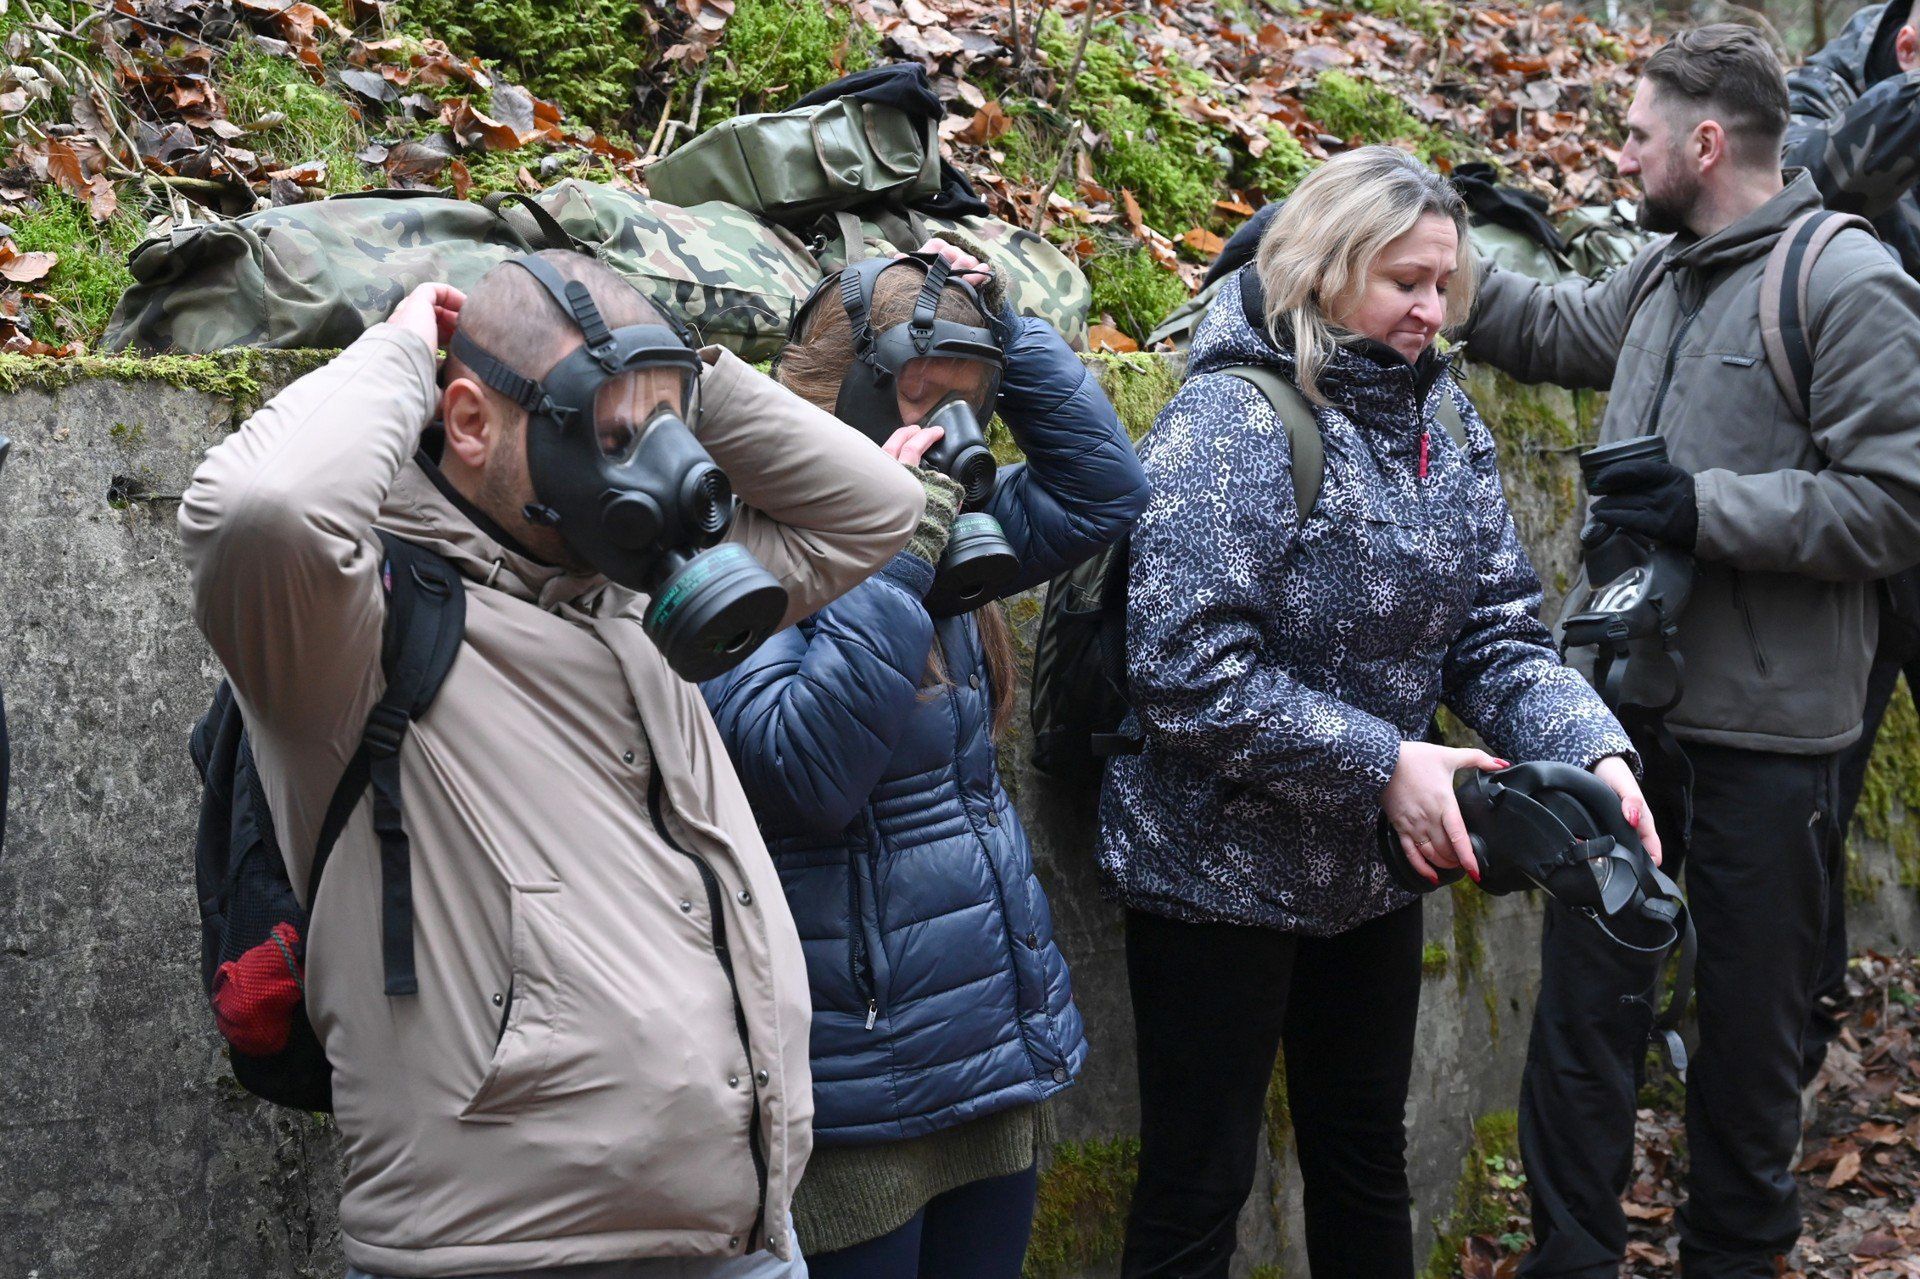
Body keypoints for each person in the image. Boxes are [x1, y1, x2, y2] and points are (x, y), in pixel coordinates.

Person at [179, 250, 928, 1278]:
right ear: (470, 422)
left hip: (742, 1235)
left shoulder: (636, 588)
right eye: (610, 435)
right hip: (502, 1254)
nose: (655, 468)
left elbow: (877, 507)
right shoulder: (346, 630)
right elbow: (262, 510)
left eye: (663, 432)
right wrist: (400, 351)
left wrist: (677, 385)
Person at [1098, 145, 1648, 1279]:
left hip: (1371, 873)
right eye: (1405, 281)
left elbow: (1496, 632)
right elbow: (1185, 667)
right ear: (1325, 267)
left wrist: (1594, 750)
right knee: (1198, 1187)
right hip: (1213, 875)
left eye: (1444, 284)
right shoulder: (1232, 419)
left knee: (1364, 1160)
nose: (1432, 309)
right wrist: (1385, 762)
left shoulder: (1441, 416)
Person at [1462, 26, 1920, 1278]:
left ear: (1705, 143)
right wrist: (1410, 252)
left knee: (1748, 1043)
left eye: (1636, 135)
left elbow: (1894, 504)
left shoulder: (1846, 282)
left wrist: (1703, 508)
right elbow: (1549, 326)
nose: (1619, 157)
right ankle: (1572, 1258)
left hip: (1770, 747)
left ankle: (1733, 1256)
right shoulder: (1664, 273)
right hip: (1622, 722)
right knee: (1580, 1022)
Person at [700, 238, 1150, 1278]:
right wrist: (895, 557)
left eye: (967, 397)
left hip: (985, 1054)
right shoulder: (735, 551)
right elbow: (804, 772)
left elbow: (1103, 490)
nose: (950, 429)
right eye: (918, 395)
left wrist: (1010, 330)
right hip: (853, 1090)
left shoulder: (945, 530)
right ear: (838, 394)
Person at [1781, 0, 1920, 1088]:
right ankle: (1799, 1038)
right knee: (1815, 785)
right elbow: (1784, 199)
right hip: (1863, 511)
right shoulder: (1820, 95)